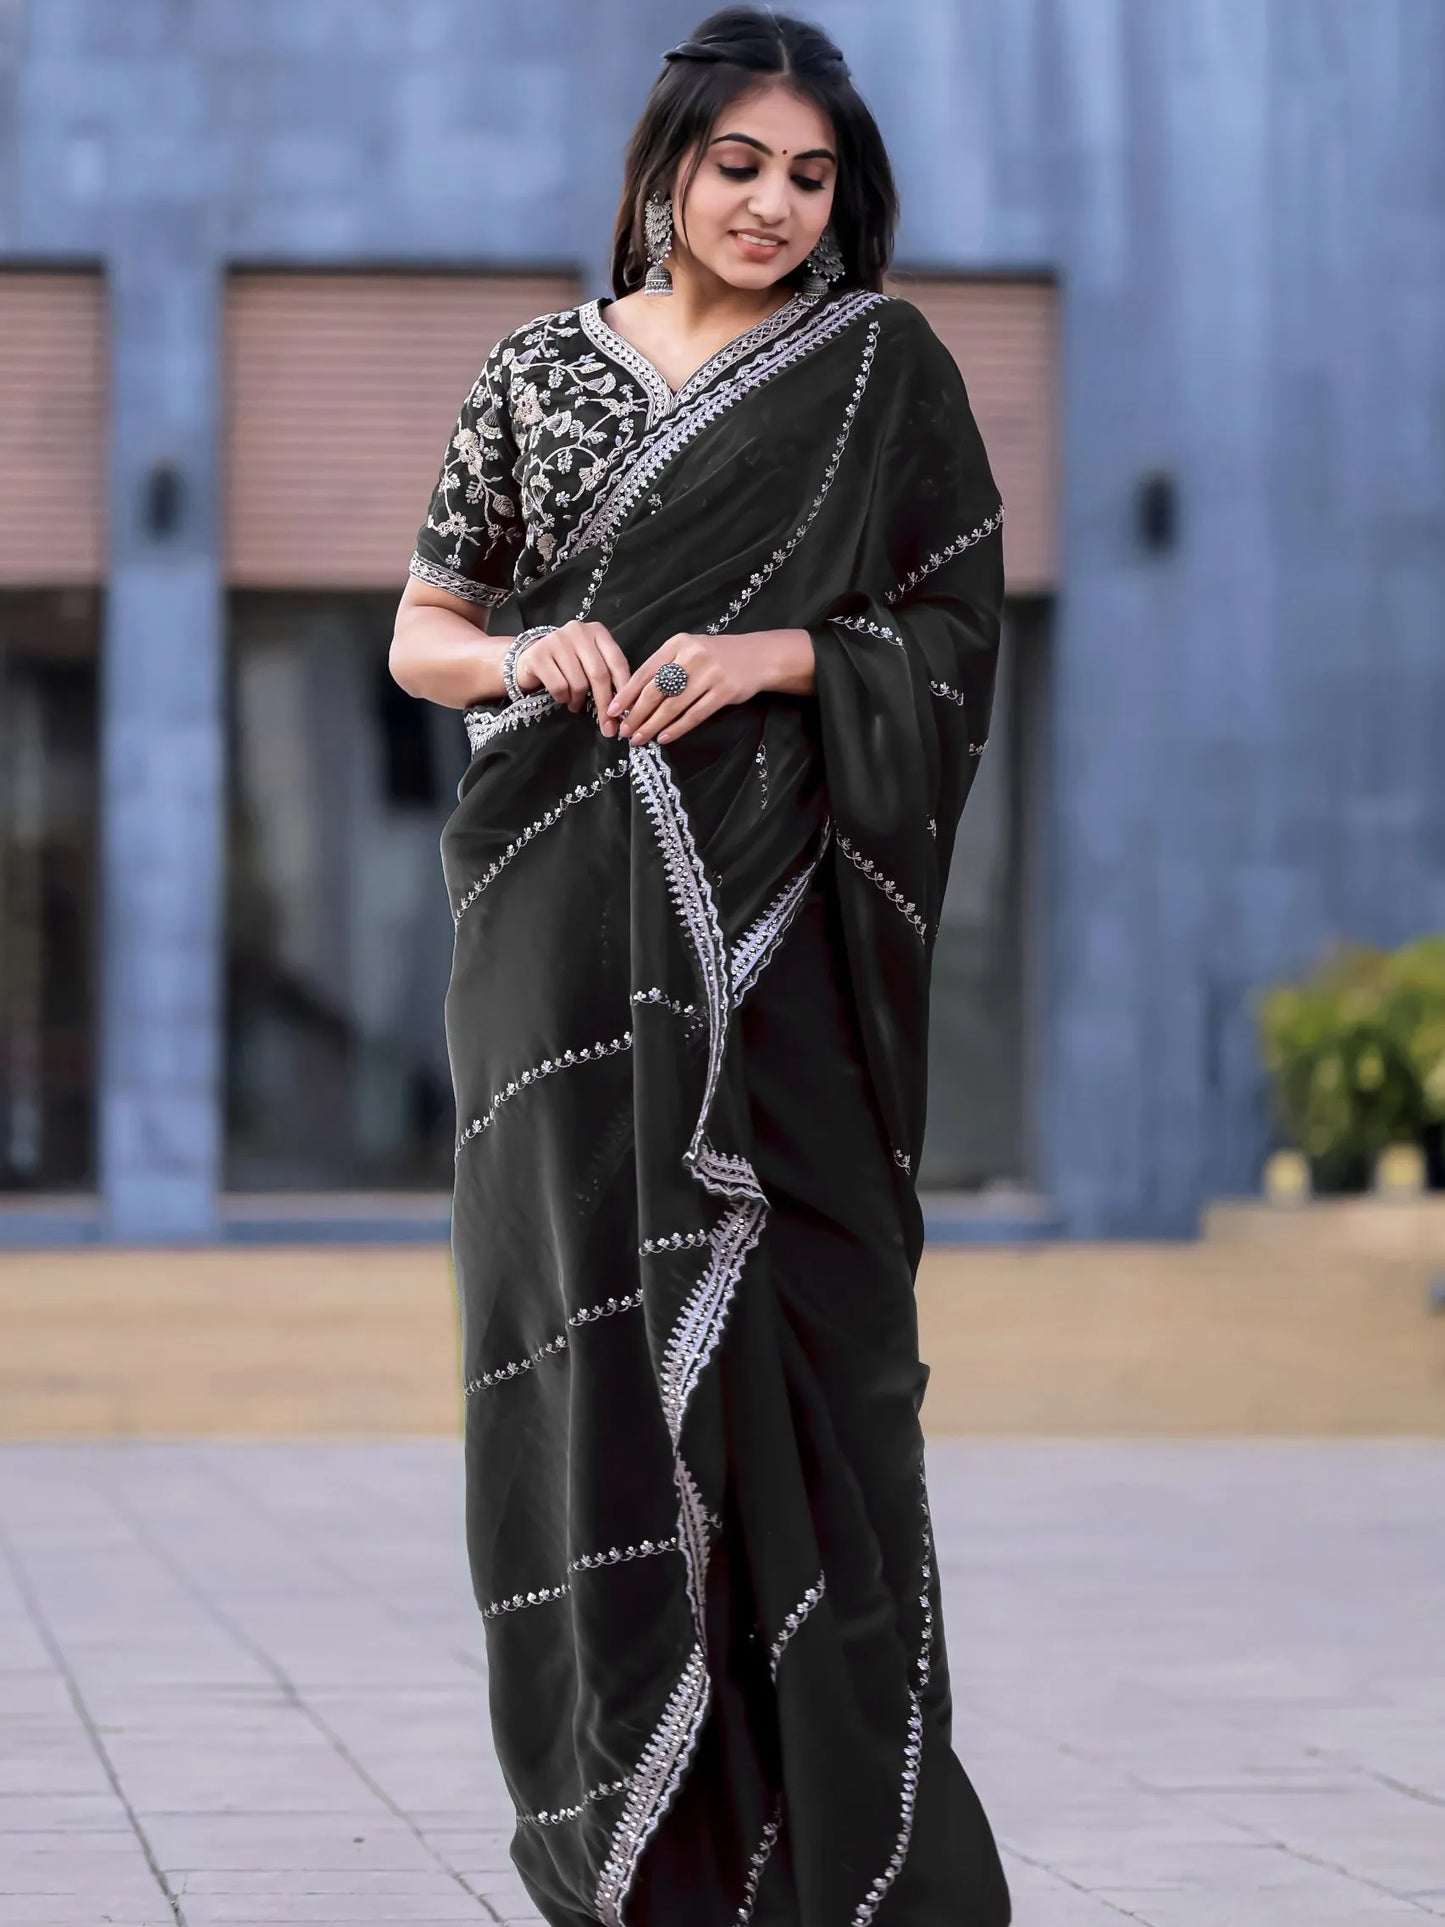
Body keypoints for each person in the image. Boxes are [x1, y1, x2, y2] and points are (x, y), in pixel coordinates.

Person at [389, 8, 1011, 1923]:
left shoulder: (876, 370)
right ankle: (629, 1845)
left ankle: (844, 1852)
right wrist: (526, 658)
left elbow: (956, 635)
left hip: (781, 938)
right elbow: (425, 628)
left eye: (809, 175)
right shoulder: (530, 374)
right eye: (736, 165)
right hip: (561, 931)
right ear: (664, 169)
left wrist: (779, 658)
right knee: (578, 1354)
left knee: (805, 1354)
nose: (770, 203)